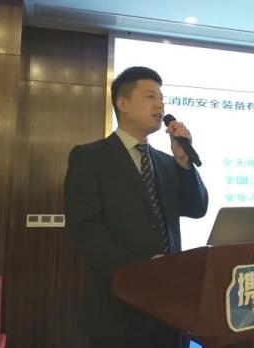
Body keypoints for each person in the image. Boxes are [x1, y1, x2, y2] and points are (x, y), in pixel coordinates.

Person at [64, 66, 208, 348]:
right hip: (118, 311)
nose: (160, 105)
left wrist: (183, 162)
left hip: (170, 311)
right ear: (123, 104)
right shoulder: (89, 158)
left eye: (162, 98)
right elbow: (84, 230)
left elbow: (197, 207)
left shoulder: (166, 162)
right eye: (150, 97)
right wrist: (141, 269)